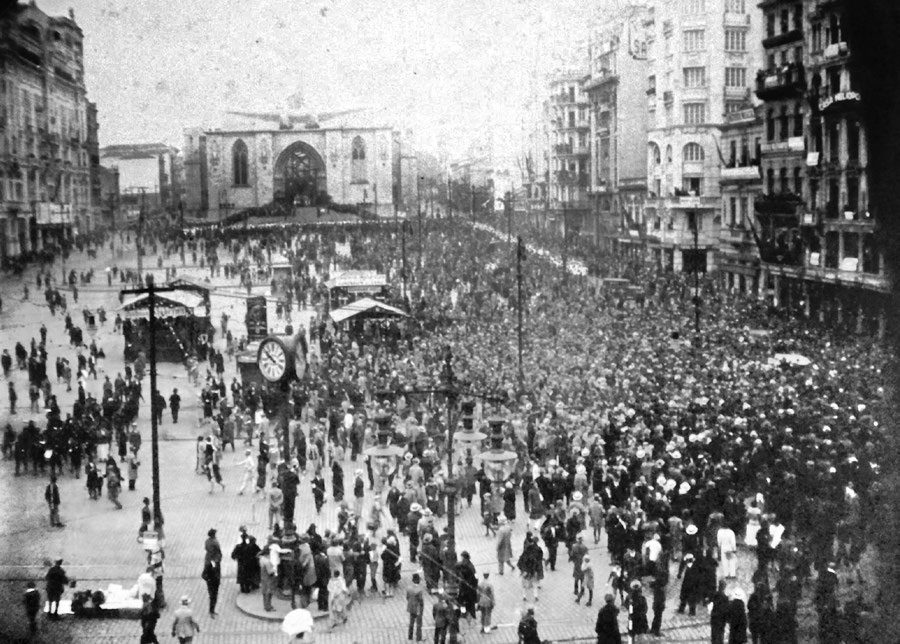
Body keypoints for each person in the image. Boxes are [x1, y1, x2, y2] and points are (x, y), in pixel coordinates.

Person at [407, 572, 425, 642]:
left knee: (411, 623)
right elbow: (421, 600)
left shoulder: (409, 588)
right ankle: (418, 638)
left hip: (411, 607)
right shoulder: (419, 590)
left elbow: (407, 597)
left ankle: (410, 637)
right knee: (418, 624)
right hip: (417, 608)